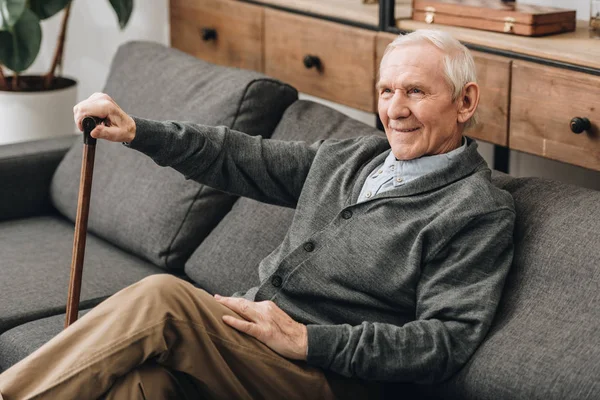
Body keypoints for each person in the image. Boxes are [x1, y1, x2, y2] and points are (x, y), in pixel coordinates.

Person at [0, 29, 515, 400]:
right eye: (387, 91)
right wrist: (137, 130)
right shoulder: (355, 156)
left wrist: (309, 340)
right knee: (142, 386)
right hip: (249, 340)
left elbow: (445, 340)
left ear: (465, 102)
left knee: (164, 297)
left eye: (416, 92)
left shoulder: (476, 210)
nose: (395, 109)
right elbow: (241, 157)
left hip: (326, 377)